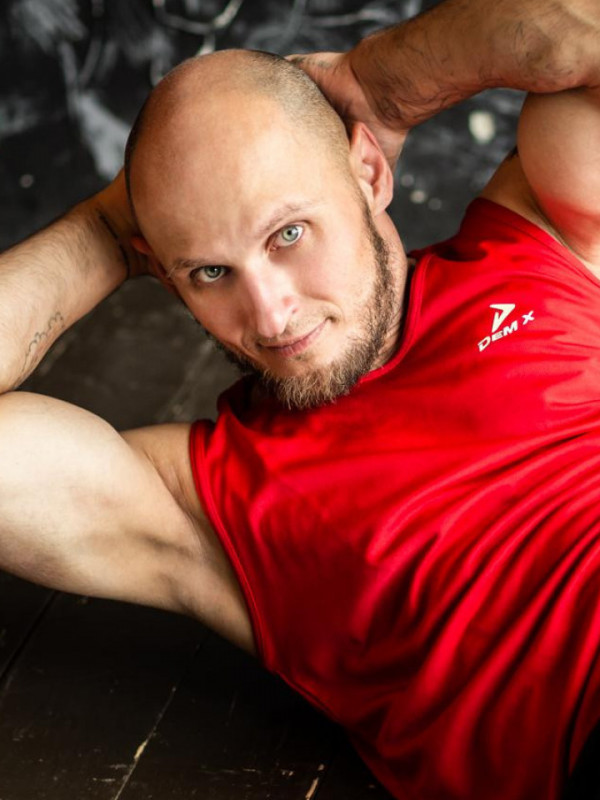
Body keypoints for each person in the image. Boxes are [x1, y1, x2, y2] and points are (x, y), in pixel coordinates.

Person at [0, 0, 599, 797]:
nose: (271, 315)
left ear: (369, 173)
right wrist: (105, 228)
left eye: (288, 234)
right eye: (210, 272)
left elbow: (583, 36)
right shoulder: (201, 502)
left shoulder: (540, 240)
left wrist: (382, 82)